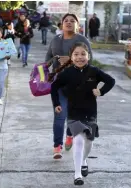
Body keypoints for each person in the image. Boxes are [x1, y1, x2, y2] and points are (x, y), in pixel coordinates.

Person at [51, 42, 115, 185]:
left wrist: (101, 91)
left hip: (90, 111)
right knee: (78, 141)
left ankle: (84, 160)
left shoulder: (94, 71)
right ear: (71, 57)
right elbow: (54, 87)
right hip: (74, 112)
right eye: (76, 54)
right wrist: (57, 104)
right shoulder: (66, 73)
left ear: (89, 56)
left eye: (83, 54)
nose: (80, 57)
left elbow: (111, 81)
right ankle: (77, 174)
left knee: (89, 142)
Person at [46, 13, 93, 159]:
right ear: (61, 24)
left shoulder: (82, 39)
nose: (69, 23)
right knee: (60, 116)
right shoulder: (55, 40)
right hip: (59, 84)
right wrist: (53, 62)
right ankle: (57, 146)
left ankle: (69, 135)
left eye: (72, 21)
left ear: (77, 25)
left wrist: (72, 61)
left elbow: (89, 61)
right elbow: (47, 60)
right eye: (66, 20)